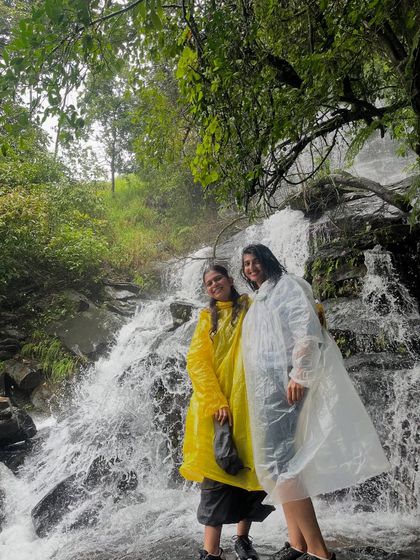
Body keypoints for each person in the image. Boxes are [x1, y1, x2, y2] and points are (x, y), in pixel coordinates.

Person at [240, 244, 390, 560]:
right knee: (279, 466)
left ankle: (320, 551)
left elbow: (306, 332)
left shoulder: (286, 287)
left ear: (268, 261)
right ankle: (298, 543)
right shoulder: (262, 296)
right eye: (246, 264)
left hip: (286, 386)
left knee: (285, 467)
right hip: (268, 393)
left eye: (255, 261)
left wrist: (299, 375)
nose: (251, 267)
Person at [180, 264, 274, 560]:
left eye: (217, 278)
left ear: (231, 279)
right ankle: (211, 552)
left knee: (251, 471)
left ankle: (243, 540)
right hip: (218, 408)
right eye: (208, 283)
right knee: (216, 475)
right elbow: (197, 363)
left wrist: (314, 310)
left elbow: (283, 312)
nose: (213, 285)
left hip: (252, 404)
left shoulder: (251, 305)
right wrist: (216, 400)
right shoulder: (208, 319)